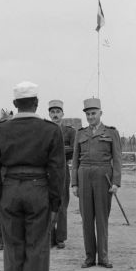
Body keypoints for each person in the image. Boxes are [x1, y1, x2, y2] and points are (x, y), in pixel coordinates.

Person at [0, 81, 65, 271]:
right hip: (38, 190)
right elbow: (58, 170)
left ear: (15, 104)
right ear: (37, 103)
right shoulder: (50, 130)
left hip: (9, 191)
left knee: (13, 248)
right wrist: (54, 203)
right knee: (37, 249)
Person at [71, 97, 121, 269]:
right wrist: (74, 184)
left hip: (103, 177)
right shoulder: (80, 133)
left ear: (101, 113)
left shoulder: (111, 133)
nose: (91, 117)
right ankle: (90, 257)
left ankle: (104, 257)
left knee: (102, 218)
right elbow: (75, 160)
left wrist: (116, 182)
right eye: (88, 114)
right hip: (84, 175)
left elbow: (117, 159)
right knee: (86, 220)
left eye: (94, 113)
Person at [47, 100, 76, 249]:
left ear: (62, 114)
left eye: (58, 112)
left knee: (62, 203)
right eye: (52, 112)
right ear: (49, 114)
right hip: (47, 171)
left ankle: (61, 238)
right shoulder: (44, 130)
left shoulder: (70, 131)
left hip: (63, 169)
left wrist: (55, 151)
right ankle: (50, 236)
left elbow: (74, 149)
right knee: (48, 203)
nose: (55, 115)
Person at [0, 108, 13, 250]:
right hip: (0, 175)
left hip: (11, 175)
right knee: (0, 208)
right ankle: (0, 239)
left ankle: (8, 238)